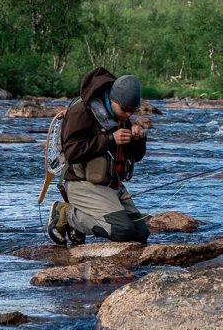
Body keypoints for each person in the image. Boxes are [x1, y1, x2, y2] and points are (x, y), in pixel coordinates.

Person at [46, 67, 150, 246]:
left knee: (140, 233)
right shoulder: (82, 111)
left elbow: (137, 156)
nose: (128, 115)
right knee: (122, 230)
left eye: (133, 111)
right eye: (125, 110)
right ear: (112, 98)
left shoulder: (120, 114)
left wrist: (139, 139)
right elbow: (71, 153)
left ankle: (79, 220)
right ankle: (65, 213)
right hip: (81, 183)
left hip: (111, 186)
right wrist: (109, 139)